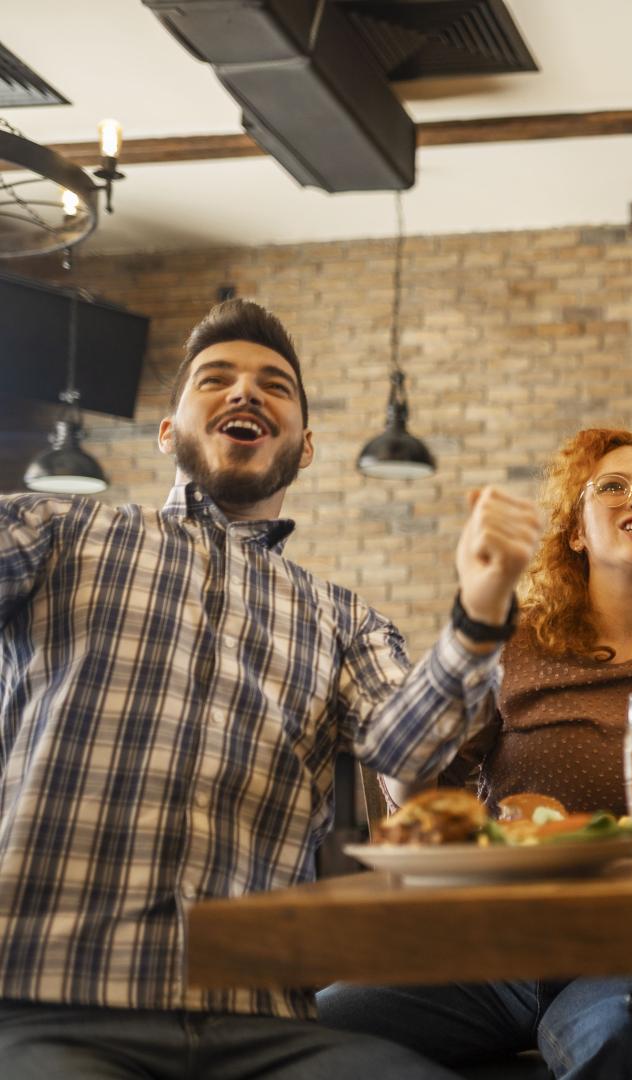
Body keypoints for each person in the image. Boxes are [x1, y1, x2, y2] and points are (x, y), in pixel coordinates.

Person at [0, 299, 542, 1079]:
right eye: (215, 379)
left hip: (262, 1027)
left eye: (274, 386)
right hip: (48, 1011)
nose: (245, 393)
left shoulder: (341, 619)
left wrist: (481, 614)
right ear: (168, 432)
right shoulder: (62, 535)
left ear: (306, 446)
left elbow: (406, 753)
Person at [319, 428, 632, 1077]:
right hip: (495, 949)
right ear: (575, 531)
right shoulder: (515, 645)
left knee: (620, 1042)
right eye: (614, 486)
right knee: (306, 1025)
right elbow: (421, 798)